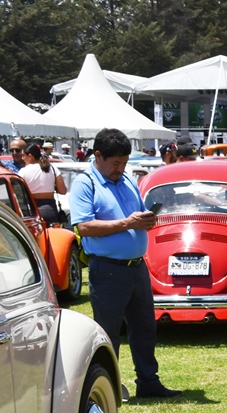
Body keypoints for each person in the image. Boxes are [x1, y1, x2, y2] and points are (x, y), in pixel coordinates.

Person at [69, 128, 181, 399]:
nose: (120, 168)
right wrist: (128, 224)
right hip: (107, 269)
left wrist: (147, 220)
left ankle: (148, 381)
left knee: (144, 328)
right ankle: (108, 388)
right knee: (108, 332)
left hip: (136, 267)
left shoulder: (128, 180)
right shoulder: (85, 183)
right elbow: (83, 226)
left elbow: (138, 214)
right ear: (98, 156)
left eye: (124, 162)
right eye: (115, 163)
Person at [18, 142, 67, 226]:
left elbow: (18, 194)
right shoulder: (52, 168)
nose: (22, 158)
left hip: (32, 209)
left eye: (23, 155)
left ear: (30, 156)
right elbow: (63, 191)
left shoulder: (23, 172)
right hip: (50, 208)